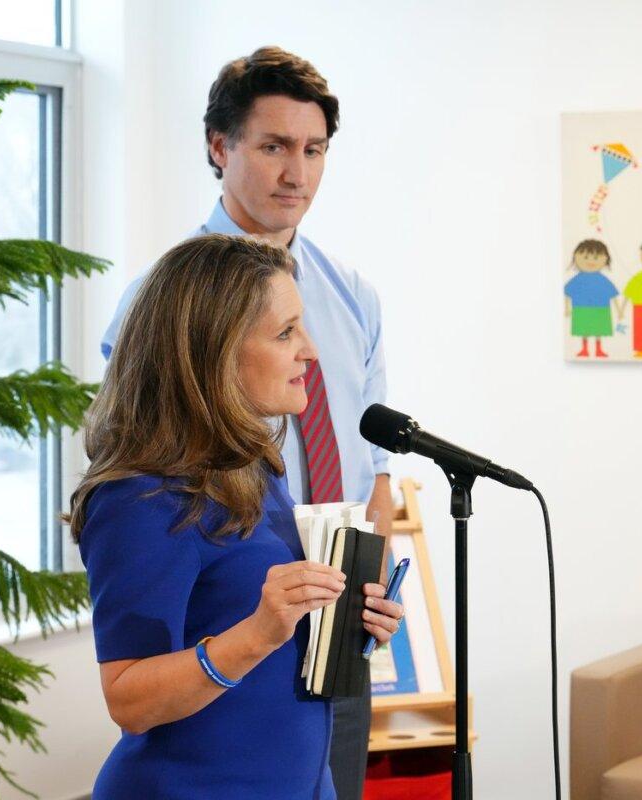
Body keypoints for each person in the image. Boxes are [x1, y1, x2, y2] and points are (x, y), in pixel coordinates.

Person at [100, 47, 392, 799]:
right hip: (228, 660)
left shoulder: (352, 294)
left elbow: (372, 465)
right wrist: (261, 628)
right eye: (273, 147)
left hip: (327, 634)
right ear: (220, 147)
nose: (297, 173)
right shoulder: (164, 302)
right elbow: (137, 465)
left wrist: (355, 597)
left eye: (314, 149)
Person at [71, 235, 404, 799]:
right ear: (214, 351)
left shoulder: (251, 467)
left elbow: (261, 624)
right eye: (285, 333)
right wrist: (258, 632)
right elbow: (128, 699)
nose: (311, 351)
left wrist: (348, 621)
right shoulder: (138, 496)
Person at [563, 238, 620, 358]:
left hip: (600, 309)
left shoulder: (602, 279)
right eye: (585, 257)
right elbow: (567, 293)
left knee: (598, 330)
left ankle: (599, 349)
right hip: (581, 308)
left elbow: (613, 295)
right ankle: (584, 349)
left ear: (605, 259)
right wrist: (567, 308)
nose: (591, 261)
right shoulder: (577, 279)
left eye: (595, 257)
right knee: (584, 330)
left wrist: (619, 310)